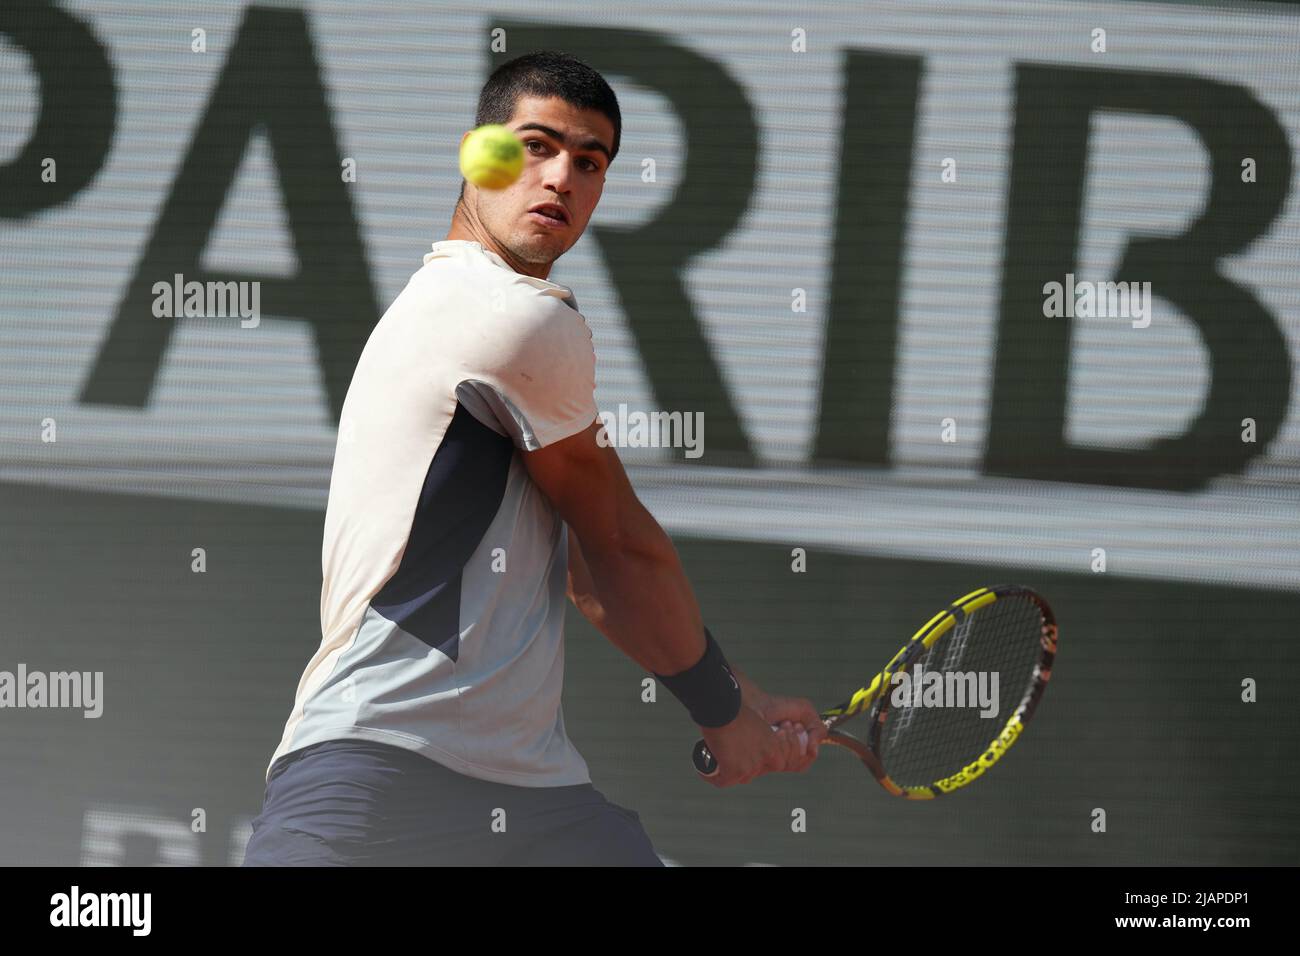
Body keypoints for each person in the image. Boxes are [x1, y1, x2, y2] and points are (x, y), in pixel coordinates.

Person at [243, 50, 826, 867]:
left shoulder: (446, 308)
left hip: (528, 803)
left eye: (590, 162)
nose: (561, 178)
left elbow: (589, 575)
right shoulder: (513, 319)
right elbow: (620, 545)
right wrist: (724, 717)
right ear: (480, 152)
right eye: (536, 146)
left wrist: (743, 700)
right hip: (377, 774)